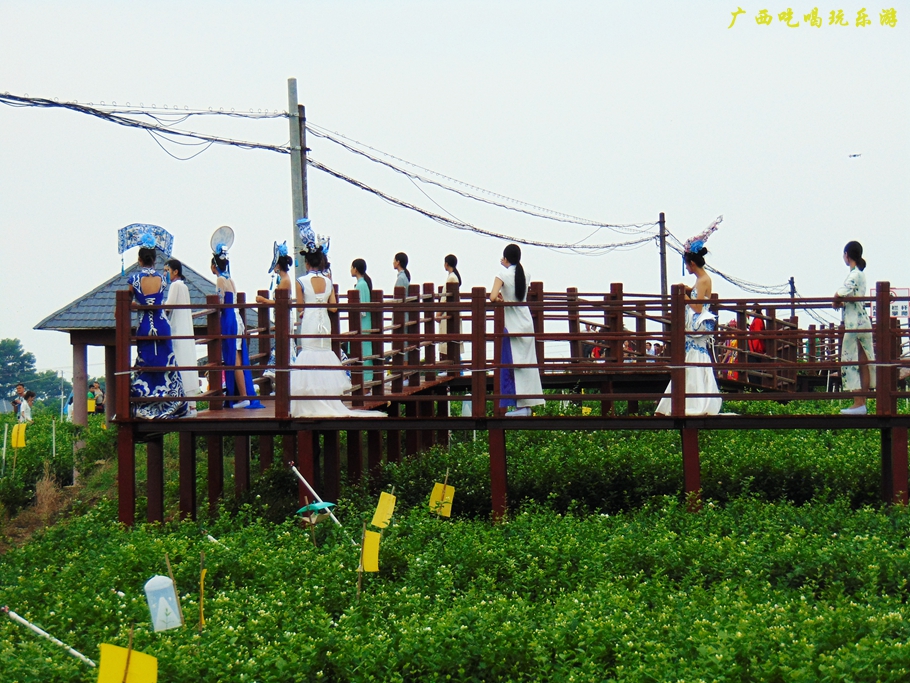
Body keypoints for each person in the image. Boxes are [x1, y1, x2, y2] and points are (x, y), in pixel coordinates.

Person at [290, 222, 385, 418]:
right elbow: (333, 306)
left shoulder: (301, 282)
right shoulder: (327, 281)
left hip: (308, 321)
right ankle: (327, 399)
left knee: (308, 355)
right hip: (325, 322)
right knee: (323, 355)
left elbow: (300, 307)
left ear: (307, 263)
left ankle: (310, 402)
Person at [655, 244, 723, 416]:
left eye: (686, 264)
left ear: (692, 263)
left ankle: (692, 401)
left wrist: (684, 297)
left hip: (696, 323)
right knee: (696, 357)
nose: (686, 267)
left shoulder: (702, 280)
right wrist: (688, 290)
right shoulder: (703, 280)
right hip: (698, 324)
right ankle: (697, 400)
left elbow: (698, 307)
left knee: (693, 358)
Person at [129, 244, 187, 419]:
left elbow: (127, 302)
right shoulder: (163, 278)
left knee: (145, 361)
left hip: (145, 324)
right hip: (162, 324)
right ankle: (172, 403)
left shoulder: (134, 279)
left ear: (139, 260)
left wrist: (138, 306)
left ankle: (145, 404)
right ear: (154, 260)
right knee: (166, 360)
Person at [489, 244, 545, 416]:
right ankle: (525, 405)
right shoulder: (525, 275)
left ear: (505, 258)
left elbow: (491, 297)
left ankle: (520, 407)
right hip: (526, 322)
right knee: (526, 364)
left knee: (512, 363)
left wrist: (501, 301)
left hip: (512, 324)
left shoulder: (502, 275)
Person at [212, 246, 265, 410]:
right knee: (240, 358)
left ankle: (242, 396)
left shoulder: (220, 280)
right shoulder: (230, 280)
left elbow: (220, 302)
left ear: (214, 265)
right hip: (237, 318)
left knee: (234, 359)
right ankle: (244, 395)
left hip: (229, 319)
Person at [834, 240, 874, 415]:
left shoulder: (854, 274)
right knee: (863, 361)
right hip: (862, 320)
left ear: (846, 255)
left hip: (854, 323)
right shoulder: (860, 274)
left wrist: (835, 300)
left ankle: (858, 401)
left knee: (851, 360)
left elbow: (841, 291)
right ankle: (861, 403)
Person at [164, 259, 201, 407]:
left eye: (167, 270)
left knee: (178, 360)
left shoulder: (175, 285)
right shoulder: (183, 286)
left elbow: (169, 305)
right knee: (186, 360)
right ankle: (190, 404)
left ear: (175, 271)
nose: (165, 273)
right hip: (183, 325)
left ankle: (179, 402)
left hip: (177, 328)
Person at [256, 242, 294, 381]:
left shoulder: (284, 281)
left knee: (284, 345)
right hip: (281, 316)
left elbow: (281, 302)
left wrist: (264, 300)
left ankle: (284, 377)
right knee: (284, 344)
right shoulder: (284, 279)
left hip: (283, 316)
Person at [350, 258, 374, 384]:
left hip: (362, 323)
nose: (350, 270)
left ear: (356, 269)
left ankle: (365, 382)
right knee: (365, 351)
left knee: (363, 351)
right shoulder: (364, 284)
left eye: (351, 267)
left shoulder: (360, 285)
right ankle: (366, 382)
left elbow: (361, 309)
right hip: (365, 322)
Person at [438, 254, 464, 361]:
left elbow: (446, 299)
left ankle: (451, 368)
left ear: (446, 264)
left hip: (448, 314)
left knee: (448, 343)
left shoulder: (452, 278)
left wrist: (439, 313)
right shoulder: (453, 276)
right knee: (449, 342)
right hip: (450, 313)